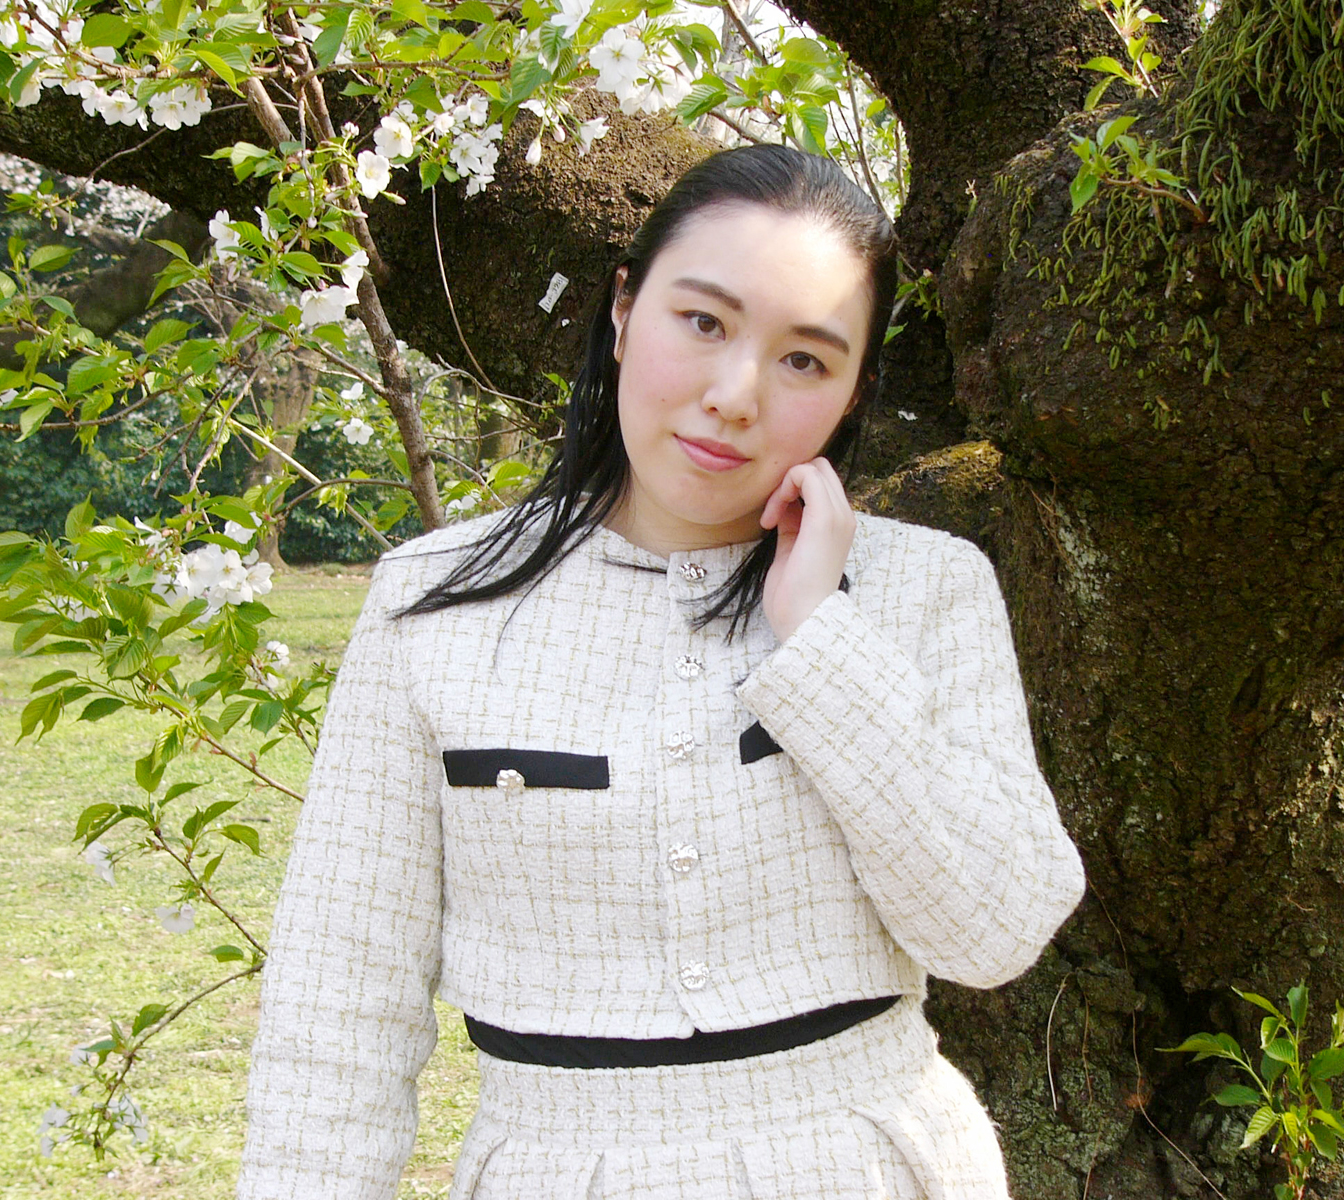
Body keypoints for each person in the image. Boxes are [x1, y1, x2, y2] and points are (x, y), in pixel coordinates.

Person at [236, 143, 1086, 1200]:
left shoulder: (926, 588)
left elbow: (995, 931)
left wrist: (821, 641)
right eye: (704, 322)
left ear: (854, 390)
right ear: (625, 308)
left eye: (805, 360)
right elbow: (338, 1003)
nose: (735, 396)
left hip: (870, 1163)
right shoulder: (433, 605)